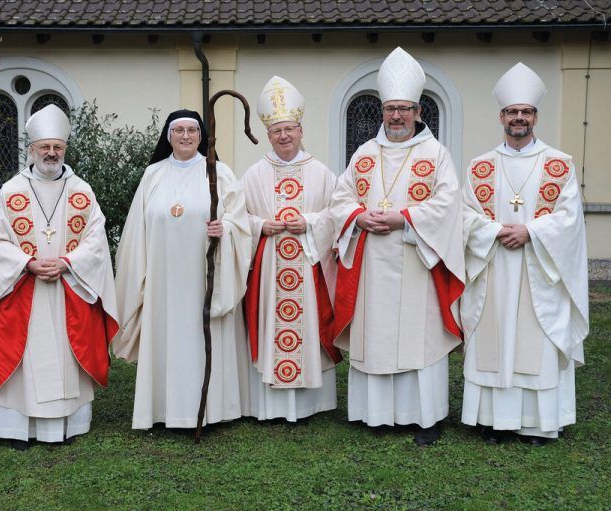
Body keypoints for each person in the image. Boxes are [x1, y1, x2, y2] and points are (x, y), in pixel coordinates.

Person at [329, 47, 465, 445]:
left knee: (418, 342)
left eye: (405, 109)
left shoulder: (436, 155)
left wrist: (403, 219)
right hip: (372, 261)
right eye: (390, 109)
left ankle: (425, 418)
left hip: (415, 260)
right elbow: (341, 197)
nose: (397, 116)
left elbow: (447, 204)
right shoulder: (365, 154)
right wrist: (358, 216)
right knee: (376, 338)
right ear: (382, 111)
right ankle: (376, 416)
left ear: (418, 111)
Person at [460, 63, 588, 445]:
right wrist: (497, 231)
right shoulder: (480, 166)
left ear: (536, 116)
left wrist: (530, 231)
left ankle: (538, 423)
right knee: (493, 338)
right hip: (494, 266)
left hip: (540, 271)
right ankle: (491, 420)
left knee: (538, 342)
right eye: (513, 111)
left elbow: (570, 219)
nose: (519, 117)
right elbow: (464, 216)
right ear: (501, 116)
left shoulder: (559, 164)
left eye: (526, 111)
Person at [0, 104, 119, 449]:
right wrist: (26, 263)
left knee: (64, 352)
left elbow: (95, 239)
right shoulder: (10, 191)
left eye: (58, 147)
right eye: (45, 147)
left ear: (65, 150)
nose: (52, 153)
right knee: (23, 353)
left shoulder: (82, 191)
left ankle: (66, 426)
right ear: (31, 149)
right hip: (23, 288)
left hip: (66, 287)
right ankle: (16, 429)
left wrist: (68, 262)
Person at [113, 109, 252, 430]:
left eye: (192, 130)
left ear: (202, 136)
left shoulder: (219, 172)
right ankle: (164, 410)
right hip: (163, 283)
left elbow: (239, 221)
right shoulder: (153, 176)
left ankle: (213, 410)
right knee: (167, 340)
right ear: (168, 136)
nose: (186, 136)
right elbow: (136, 233)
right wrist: (138, 278)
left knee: (204, 339)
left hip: (205, 281)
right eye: (179, 131)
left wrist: (225, 228)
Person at [238, 76, 340, 422]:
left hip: (308, 268)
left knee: (309, 326)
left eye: (290, 129)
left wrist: (310, 223)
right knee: (271, 326)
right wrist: (260, 226)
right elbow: (239, 219)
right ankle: (270, 406)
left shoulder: (322, 173)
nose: (284, 136)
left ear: (301, 130)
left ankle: (311, 404)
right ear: (268, 136)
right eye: (277, 131)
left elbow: (336, 215)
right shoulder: (252, 175)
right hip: (270, 267)